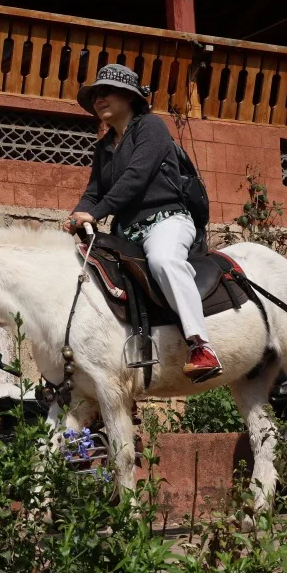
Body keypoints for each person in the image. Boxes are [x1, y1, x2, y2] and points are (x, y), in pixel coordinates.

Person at [62, 65, 221, 382]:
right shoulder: (104, 148)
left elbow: (136, 177)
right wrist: (78, 214)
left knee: (163, 260)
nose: (99, 99)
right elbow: (94, 192)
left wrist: (97, 211)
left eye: (105, 92)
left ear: (129, 96)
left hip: (167, 220)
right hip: (126, 233)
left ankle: (202, 346)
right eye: (95, 95)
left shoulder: (151, 127)